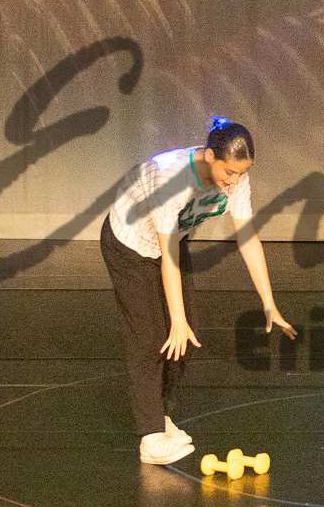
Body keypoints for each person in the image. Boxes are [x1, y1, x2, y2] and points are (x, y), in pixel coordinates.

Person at [101, 117, 296, 465]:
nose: (233, 181)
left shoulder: (236, 180)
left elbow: (247, 239)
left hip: (170, 243)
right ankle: (150, 437)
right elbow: (169, 259)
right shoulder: (172, 178)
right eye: (229, 172)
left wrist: (268, 302)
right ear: (209, 156)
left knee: (186, 335)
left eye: (241, 173)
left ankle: (161, 416)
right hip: (129, 244)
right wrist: (174, 319)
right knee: (151, 337)